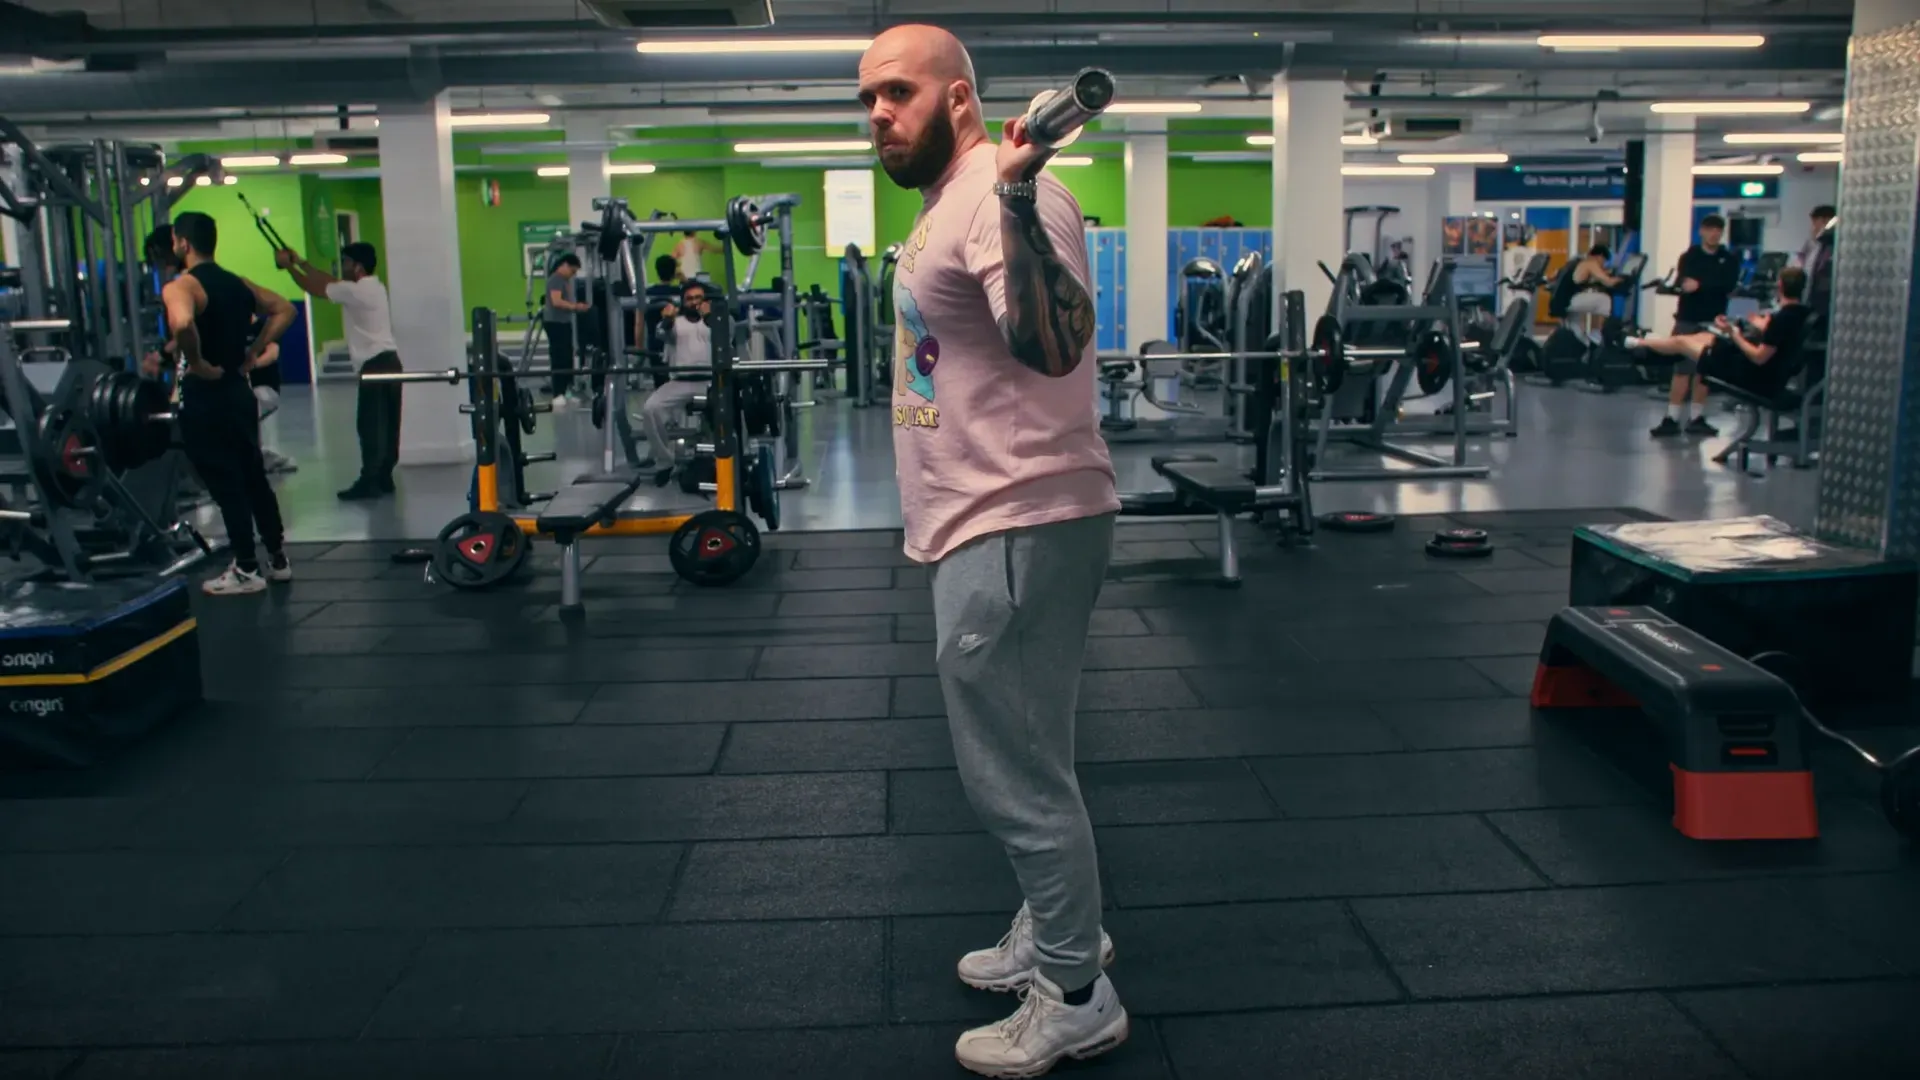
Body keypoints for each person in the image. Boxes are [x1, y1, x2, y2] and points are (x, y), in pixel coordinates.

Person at [858, 25, 1125, 1077]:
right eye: (867, 98)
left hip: (1017, 518)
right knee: (1031, 756)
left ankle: (1075, 989)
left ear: (960, 99)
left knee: (1010, 776)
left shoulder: (998, 192)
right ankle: (1054, 927)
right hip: (988, 516)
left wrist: (1016, 195)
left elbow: (1057, 345)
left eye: (898, 93)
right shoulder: (946, 199)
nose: (878, 113)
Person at [149, 215, 294, 595]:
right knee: (252, 476)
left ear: (182, 243)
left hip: (205, 394)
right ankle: (278, 559)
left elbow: (182, 324)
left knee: (226, 483)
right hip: (238, 391)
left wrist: (196, 363)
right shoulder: (237, 283)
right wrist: (253, 352)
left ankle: (246, 568)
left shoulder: (181, 286)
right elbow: (285, 309)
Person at [275, 241, 400, 500]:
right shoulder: (371, 287)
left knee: (370, 426)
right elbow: (330, 281)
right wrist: (301, 262)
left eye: (345, 262)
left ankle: (370, 481)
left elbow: (315, 288)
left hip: (375, 366)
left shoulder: (356, 291)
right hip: (391, 362)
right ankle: (384, 478)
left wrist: (289, 269)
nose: (341, 267)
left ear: (358, 267)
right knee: (388, 424)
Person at [1627, 266, 1813, 431]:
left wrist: (1734, 334)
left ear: (1779, 286)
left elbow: (1759, 357)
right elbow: (1781, 338)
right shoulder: (1799, 314)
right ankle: (1648, 342)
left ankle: (1638, 343)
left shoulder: (1781, 319)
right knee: (1704, 337)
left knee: (1681, 343)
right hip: (1761, 369)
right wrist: (1761, 327)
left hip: (1755, 377)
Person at [640, 279, 713, 484]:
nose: (694, 302)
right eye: (689, 299)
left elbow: (730, 334)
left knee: (729, 411)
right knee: (650, 409)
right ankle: (665, 461)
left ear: (706, 300)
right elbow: (661, 334)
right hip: (680, 382)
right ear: (683, 302)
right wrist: (667, 320)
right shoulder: (676, 323)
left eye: (698, 298)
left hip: (710, 381)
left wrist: (710, 317)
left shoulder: (717, 321)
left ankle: (721, 461)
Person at [1672, 213, 1742, 335]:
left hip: (1714, 319)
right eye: (1709, 230)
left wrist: (1700, 285)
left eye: (1717, 231)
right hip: (1687, 318)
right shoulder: (1689, 257)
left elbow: (1728, 285)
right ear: (1701, 231)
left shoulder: (1729, 260)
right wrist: (1684, 285)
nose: (1713, 234)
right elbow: (1682, 280)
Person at [541, 253, 591, 406]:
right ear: (564, 265)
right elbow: (556, 302)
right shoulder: (556, 279)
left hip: (563, 322)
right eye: (573, 271)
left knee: (567, 358)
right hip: (555, 323)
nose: (573, 275)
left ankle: (566, 391)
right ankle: (558, 394)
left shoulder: (563, 280)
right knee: (558, 358)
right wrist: (576, 307)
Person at [1551, 244, 1624, 331]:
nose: (1603, 265)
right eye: (1604, 261)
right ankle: (1606, 331)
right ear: (1600, 256)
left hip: (1559, 301)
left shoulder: (1576, 261)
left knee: (1575, 329)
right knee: (1604, 300)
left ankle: (1576, 339)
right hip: (1569, 301)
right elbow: (1608, 282)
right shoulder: (1590, 263)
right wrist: (1622, 279)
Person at [638, 253, 682, 356]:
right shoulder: (679, 292)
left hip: (653, 344)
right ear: (674, 273)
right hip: (675, 343)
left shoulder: (647, 293)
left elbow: (639, 323)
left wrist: (639, 349)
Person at [1795, 204, 1836, 272]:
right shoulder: (1810, 243)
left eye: (1814, 222)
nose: (1813, 227)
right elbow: (1800, 262)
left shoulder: (1831, 245)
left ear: (1826, 221)